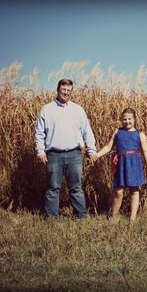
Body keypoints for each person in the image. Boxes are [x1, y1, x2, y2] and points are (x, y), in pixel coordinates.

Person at [34, 78, 97, 219]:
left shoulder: (78, 110)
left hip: (74, 154)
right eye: (63, 90)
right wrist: (40, 151)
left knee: (76, 187)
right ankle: (51, 217)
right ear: (58, 90)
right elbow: (39, 133)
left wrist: (91, 150)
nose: (66, 93)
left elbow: (87, 131)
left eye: (69, 90)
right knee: (53, 188)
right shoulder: (47, 109)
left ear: (71, 92)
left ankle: (81, 216)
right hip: (53, 155)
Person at [92, 108, 147, 222]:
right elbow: (108, 147)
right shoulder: (117, 132)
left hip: (134, 163)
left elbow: (146, 151)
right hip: (121, 163)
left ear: (134, 119)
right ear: (121, 120)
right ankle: (114, 217)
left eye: (130, 119)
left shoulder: (140, 134)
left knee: (134, 190)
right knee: (118, 191)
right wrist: (97, 155)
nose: (127, 121)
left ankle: (132, 219)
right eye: (124, 119)